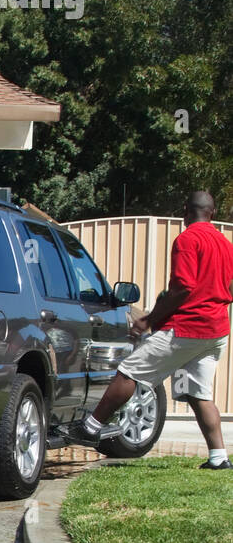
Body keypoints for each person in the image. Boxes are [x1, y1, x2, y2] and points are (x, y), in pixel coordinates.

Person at [66, 190, 233, 467]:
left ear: (185, 211)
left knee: (129, 371)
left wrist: (150, 320)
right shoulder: (226, 245)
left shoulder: (187, 239)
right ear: (213, 213)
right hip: (216, 331)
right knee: (198, 393)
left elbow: (183, 288)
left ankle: (92, 427)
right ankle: (218, 457)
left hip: (186, 328)